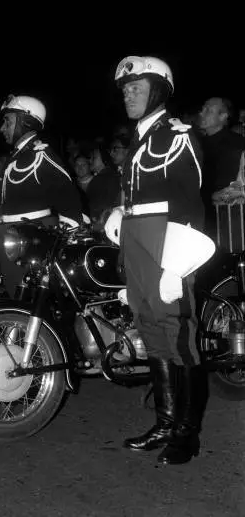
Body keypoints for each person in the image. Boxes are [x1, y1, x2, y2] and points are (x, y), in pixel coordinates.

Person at [111, 55, 209, 466]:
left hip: (168, 241)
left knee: (178, 337)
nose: (128, 94)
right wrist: (121, 215)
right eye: (125, 89)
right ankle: (165, 422)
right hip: (138, 238)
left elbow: (190, 204)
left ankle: (186, 434)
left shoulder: (177, 135)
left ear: (160, 91)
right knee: (150, 329)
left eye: (137, 86)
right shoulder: (140, 138)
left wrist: (177, 264)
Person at [0, 95, 84, 298]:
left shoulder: (42, 155)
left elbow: (70, 204)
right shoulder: (15, 157)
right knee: (13, 301)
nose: (2, 128)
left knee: (31, 306)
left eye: (8, 121)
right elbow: (4, 196)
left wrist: (62, 250)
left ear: (25, 121)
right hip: (9, 240)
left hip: (31, 245)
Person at [197, 97, 245, 208]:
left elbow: (226, 191)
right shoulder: (198, 142)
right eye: (202, 109)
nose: (201, 113)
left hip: (222, 214)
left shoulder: (235, 144)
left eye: (208, 110)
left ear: (223, 116)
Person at [86, 144, 121, 228]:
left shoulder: (101, 179)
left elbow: (97, 209)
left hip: (101, 225)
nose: (90, 160)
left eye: (94, 158)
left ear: (104, 159)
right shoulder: (114, 176)